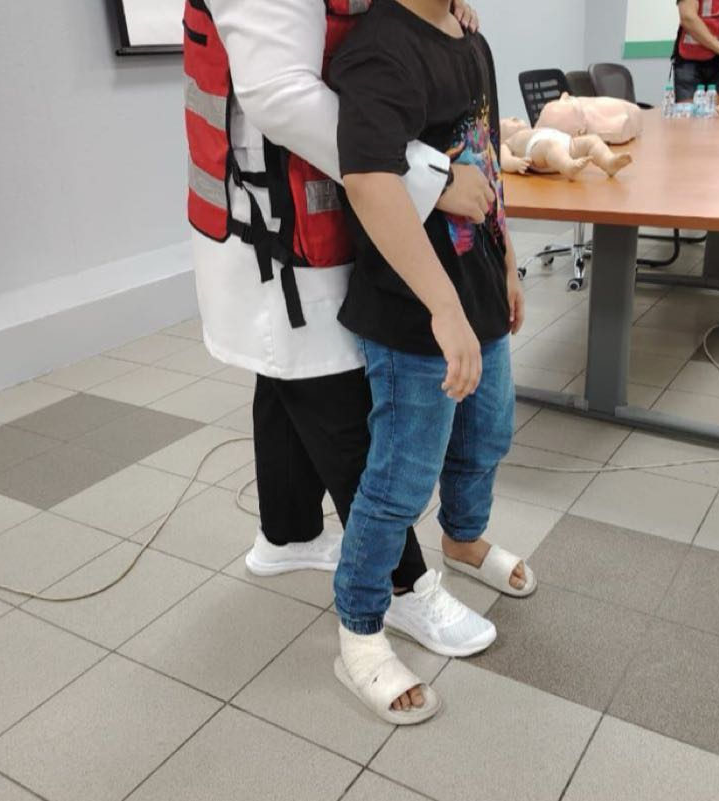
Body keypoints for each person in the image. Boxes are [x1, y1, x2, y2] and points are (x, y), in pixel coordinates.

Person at [183, 0, 499, 659]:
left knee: (286, 380)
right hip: (284, 219)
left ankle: (288, 533)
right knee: (335, 397)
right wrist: (428, 176)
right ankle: (401, 585)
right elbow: (280, 94)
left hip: (315, 205)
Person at [329, 0, 535, 724]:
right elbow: (369, 181)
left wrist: (507, 261)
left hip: (478, 290)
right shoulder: (378, 49)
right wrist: (444, 311)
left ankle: (465, 539)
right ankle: (359, 627)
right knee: (399, 481)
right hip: (412, 313)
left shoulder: (470, 39)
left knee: (487, 435)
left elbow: (486, 157)